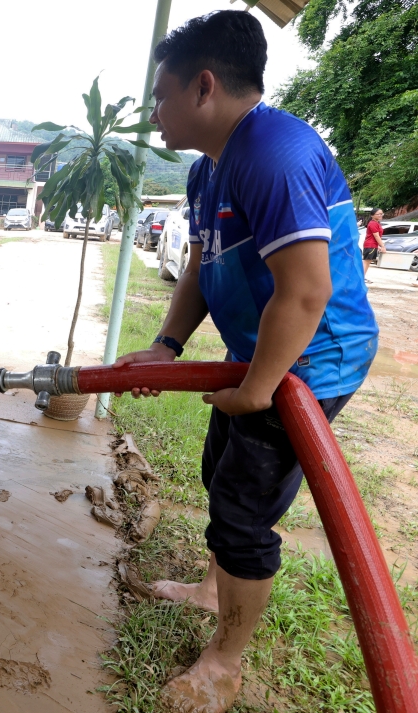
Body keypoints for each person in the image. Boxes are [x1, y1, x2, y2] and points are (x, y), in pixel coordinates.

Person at [113, 11, 378, 713]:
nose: (155, 114)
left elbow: (307, 290)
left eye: (161, 96)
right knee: (216, 469)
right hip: (256, 356)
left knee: (242, 509)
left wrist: (260, 387)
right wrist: (167, 345)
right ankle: (211, 589)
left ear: (204, 87)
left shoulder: (275, 153)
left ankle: (225, 663)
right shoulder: (210, 170)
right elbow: (202, 265)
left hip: (309, 360)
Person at [362, 207, 385, 277]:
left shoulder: (376, 223)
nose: (380, 215)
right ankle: (360, 279)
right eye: (378, 214)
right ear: (372, 215)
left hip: (372, 245)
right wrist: (382, 246)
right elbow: (376, 236)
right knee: (366, 262)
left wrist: (378, 246)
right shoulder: (373, 223)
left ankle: (362, 278)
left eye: (381, 214)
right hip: (370, 245)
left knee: (367, 262)